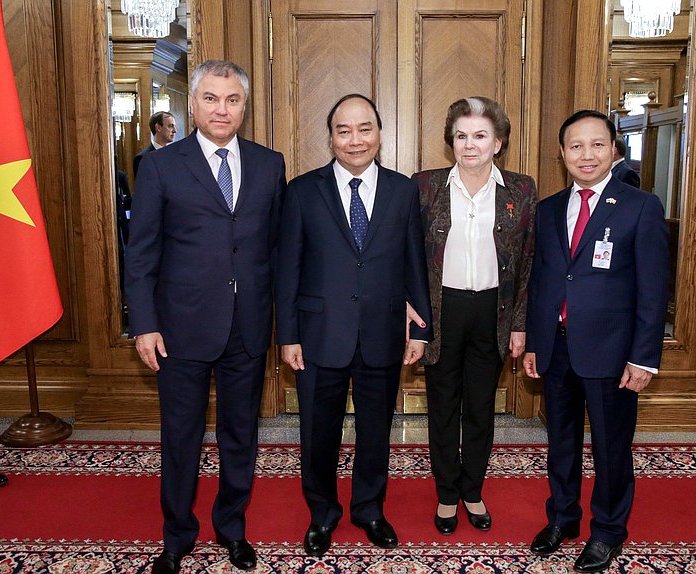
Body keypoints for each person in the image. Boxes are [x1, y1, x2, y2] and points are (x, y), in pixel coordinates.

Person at [126, 60, 286, 574]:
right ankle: (177, 536)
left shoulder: (268, 164)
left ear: (244, 106)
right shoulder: (161, 166)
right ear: (193, 104)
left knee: (242, 435)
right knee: (181, 438)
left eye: (232, 99)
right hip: (179, 328)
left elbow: (276, 249)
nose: (222, 109)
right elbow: (142, 252)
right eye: (212, 99)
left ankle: (232, 529)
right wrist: (144, 323)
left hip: (248, 327)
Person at [275, 94, 432, 557]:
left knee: (375, 430)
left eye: (364, 129)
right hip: (319, 334)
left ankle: (369, 509)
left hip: (381, 333)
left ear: (379, 134)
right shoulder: (303, 191)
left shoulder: (404, 191)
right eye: (344, 131)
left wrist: (420, 328)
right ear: (331, 137)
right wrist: (288, 335)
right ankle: (321, 514)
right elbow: (289, 268)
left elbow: (414, 264)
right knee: (316, 432)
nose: (355, 139)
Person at [523, 110, 668, 573]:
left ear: (614, 150)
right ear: (562, 153)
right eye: (576, 146)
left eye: (597, 145)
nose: (586, 155)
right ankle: (563, 518)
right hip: (557, 347)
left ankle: (607, 531)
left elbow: (653, 289)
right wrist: (533, 342)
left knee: (610, 446)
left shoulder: (640, 206)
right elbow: (541, 281)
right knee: (560, 442)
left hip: (613, 352)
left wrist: (644, 357)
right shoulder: (547, 209)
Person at [411, 97, 536, 535]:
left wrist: (521, 323)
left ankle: (472, 490)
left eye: (480, 136)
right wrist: (415, 322)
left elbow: (527, 263)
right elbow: (411, 259)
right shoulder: (426, 186)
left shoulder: (521, 190)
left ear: (498, 142)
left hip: (493, 312)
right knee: (443, 406)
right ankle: (447, 493)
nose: (470, 145)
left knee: (481, 407)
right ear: (451, 141)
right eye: (461, 136)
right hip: (441, 311)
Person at [133, 111, 177, 179]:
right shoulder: (142, 159)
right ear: (158, 127)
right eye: (170, 126)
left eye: (174, 126)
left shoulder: (176, 156)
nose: (175, 130)